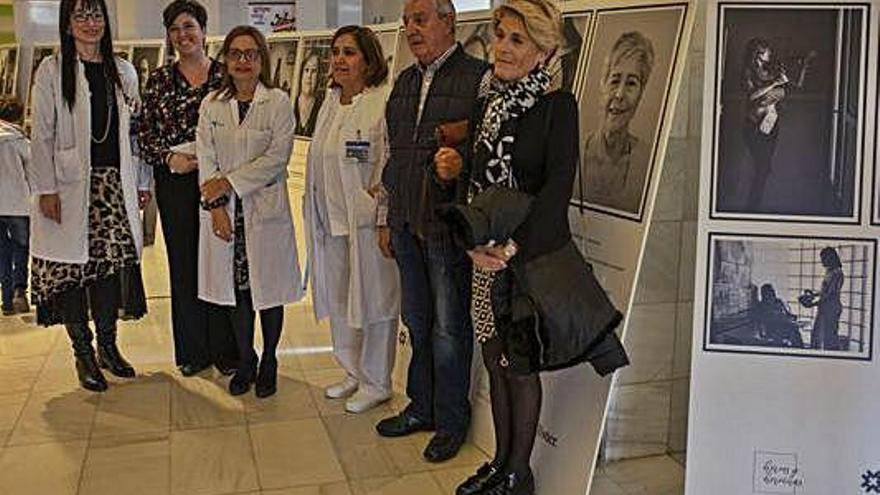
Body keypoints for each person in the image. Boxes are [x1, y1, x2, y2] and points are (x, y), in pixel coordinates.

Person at [447, 1, 576, 493]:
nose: (501, 46)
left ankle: (520, 474)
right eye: (501, 34)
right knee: (495, 362)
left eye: (517, 40)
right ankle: (500, 463)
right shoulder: (487, 100)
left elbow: (556, 191)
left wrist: (511, 250)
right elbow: (471, 180)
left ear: (544, 52)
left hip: (526, 263)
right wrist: (471, 244)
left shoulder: (557, 107)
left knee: (520, 368)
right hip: (484, 260)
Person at [376, 0, 489, 463]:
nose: (410, 30)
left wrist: (459, 167)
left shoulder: (479, 78)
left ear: (450, 21)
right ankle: (419, 407)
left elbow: (490, 154)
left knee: (448, 328)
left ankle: (450, 421)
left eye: (420, 20)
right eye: (406, 22)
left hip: (445, 227)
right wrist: (386, 215)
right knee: (417, 322)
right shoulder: (403, 82)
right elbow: (392, 156)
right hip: (405, 222)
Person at [29, 0, 152, 392]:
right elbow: (42, 134)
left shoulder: (124, 71)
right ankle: (82, 353)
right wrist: (46, 188)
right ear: (67, 24)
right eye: (80, 15)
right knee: (73, 274)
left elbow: (135, 134)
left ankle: (109, 348)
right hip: (67, 188)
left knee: (108, 273)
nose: (90, 22)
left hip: (113, 186)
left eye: (96, 14)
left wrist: (142, 182)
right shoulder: (51, 71)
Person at [196, 25, 303, 398]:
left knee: (267, 291)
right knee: (237, 292)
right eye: (236, 53)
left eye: (251, 53)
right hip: (227, 215)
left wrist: (228, 184)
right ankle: (247, 360)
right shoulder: (211, 104)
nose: (243, 60)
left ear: (262, 60)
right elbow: (206, 158)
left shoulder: (277, 102)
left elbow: (276, 158)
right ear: (225, 59)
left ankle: (270, 358)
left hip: (263, 212)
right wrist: (216, 206)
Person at [139, 0, 239, 377]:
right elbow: (144, 135)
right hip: (176, 181)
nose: (183, 35)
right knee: (184, 264)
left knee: (221, 260)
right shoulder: (160, 80)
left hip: (220, 178)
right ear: (169, 35)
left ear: (203, 30)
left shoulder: (225, 76)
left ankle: (228, 349)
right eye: (175, 29)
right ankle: (193, 350)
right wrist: (169, 159)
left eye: (189, 26)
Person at [304, 26, 400, 414]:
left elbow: (389, 164)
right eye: (336, 52)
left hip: (365, 224)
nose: (339, 60)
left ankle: (377, 382)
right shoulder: (329, 101)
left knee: (376, 303)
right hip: (330, 224)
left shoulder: (381, 102)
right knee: (341, 301)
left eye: (349, 53)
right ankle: (352, 370)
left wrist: (380, 215)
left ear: (369, 59)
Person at [582, 31, 654, 215]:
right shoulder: (572, 153)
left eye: (631, 83)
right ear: (603, 84)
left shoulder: (648, 162)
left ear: (641, 93)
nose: (620, 94)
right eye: (614, 80)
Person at [740, 38, 812, 208]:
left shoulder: (772, 71)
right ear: (758, 54)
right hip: (754, 126)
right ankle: (752, 207)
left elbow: (797, 86)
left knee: (764, 168)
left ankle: (755, 205)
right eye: (767, 51)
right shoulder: (749, 73)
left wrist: (805, 66)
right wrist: (773, 83)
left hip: (771, 125)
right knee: (762, 167)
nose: (770, 54)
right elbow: (751, 96)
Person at [0, 99, 31, 316]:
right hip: (18, 204)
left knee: (2, 250)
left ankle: (6, 298)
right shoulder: (21, 142)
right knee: (20, 247)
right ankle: (20, 292)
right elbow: (34, 173)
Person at [799, 247, 844, 351]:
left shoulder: (837, 273)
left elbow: (831, 295)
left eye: (824, 258)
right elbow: (825, 291)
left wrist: (812, 304)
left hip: (831, 308)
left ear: (830, 258)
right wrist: (813, 294)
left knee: (829, 337)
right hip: (824, 307)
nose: (822, 261)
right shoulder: (829, 271)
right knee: (817, 334)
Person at [754, 283, 803, 348]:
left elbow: (787, 313)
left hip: (784, 325)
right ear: (764, 294)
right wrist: (785, 320)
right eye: (768, 292)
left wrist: (792, 317)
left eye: (772, 291)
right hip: (773, 329)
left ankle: (799, 349)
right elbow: (766, 320)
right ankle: (797, 349)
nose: (771, 294)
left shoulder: (778, 301)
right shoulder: (761, 306)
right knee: (792, 331)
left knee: (795, 330)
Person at [293, 49, 324, 136]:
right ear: (301, 74)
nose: (309, 76)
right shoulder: (290, 103)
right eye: (306, 70)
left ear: (318, 76)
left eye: (314, 71)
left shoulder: (322, 108)